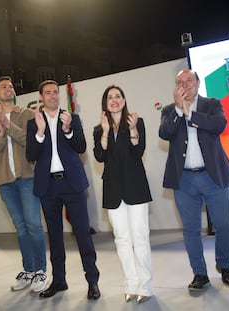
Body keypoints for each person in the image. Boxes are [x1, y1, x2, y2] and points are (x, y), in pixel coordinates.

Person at [159, 69, 229, 291]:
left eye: (189, 80)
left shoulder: (212, 104)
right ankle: (200, 273)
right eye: (179, 82)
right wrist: (178, 109)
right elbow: (165, 133)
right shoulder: (168, 110)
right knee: (191, 229)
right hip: (184, 180)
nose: (185, 84)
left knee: (224, 225)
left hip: (213, 176)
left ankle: (224, 266)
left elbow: (218, 125)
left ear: (198, 83)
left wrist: (190, 114)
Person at [26, 80, 100, 300]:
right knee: (55, 237)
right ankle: (59, 281)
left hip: (72, 184)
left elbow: (82, 147)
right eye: (48, 93)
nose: (53, 96)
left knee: (83, 234)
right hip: (47, 187)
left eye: (55, 93)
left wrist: (67, 130)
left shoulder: (71, 118)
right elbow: (31, 155)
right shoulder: (34, 123)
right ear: (41, 97)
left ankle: (93, 282)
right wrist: (39, 132)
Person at [0, 76, 48, 293]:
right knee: (20, 228)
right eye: (3, 86)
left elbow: (31, 141)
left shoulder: (27, 114)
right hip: (5, 182)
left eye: (11, 86)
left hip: (27, 177)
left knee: (33, 225)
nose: (9, 88)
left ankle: (41, 271)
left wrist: (9, 126)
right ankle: (28, 270)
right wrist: (1, 132)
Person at [93, 85, 153, 304]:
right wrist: (106, 132)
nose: (114, 100)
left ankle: (145, 286)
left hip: (135, 187)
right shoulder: (99, 129)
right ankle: (131, 284)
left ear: (125, 100)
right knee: (122, 238)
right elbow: (100, 157)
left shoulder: (137, 122)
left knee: (140, 236)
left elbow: (138, 152)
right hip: (113, 190)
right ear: (105, 103)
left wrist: (134, 131)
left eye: (118, 96)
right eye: (110, 97)